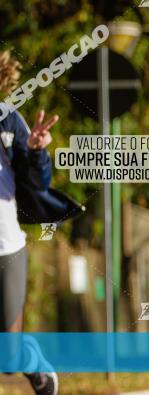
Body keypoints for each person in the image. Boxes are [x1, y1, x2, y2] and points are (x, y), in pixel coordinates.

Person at [0, 51, 61, 395]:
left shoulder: (8, 122)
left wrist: (37, 151)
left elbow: (37, 184)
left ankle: (34, 366)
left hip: (6, 248)